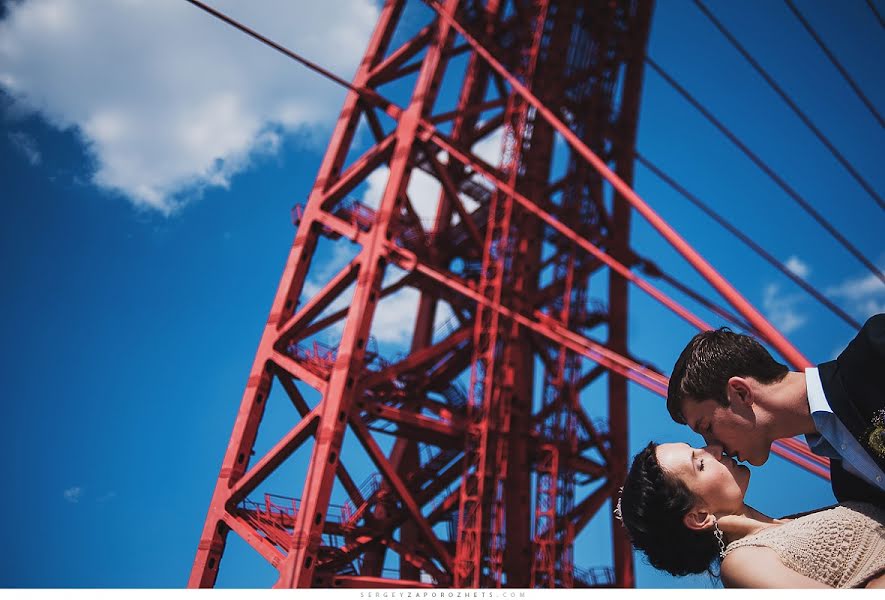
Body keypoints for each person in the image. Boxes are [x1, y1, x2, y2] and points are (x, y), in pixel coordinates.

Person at [666, 313, 885, 505]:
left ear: (740, 392)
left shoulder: (878, 347)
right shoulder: (849, 488)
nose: (715, 449)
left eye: (707, 426)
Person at [618, 440, 885, 588]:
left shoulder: (787, 524)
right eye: (700, 463)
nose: (715, 450)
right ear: (699, 516)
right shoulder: (740, 564)